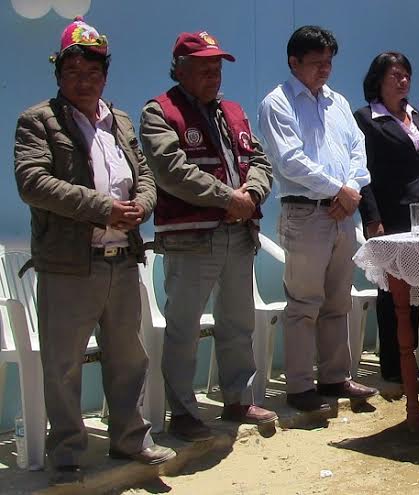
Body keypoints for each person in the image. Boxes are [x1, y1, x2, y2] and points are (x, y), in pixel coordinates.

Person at [13, 17, 175, 484]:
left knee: (128, 357)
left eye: (93, 71)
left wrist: (141, 206)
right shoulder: (38, 120)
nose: (84, 79)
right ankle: (66, 454)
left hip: (122, 260)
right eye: (73, 71)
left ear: (106, 74)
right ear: (59, 75)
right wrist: (103, 208)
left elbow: (143, 174)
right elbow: (34, 182)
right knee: (63, 365)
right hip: (68, 264)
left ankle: (131, 438)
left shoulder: (119, 120)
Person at [140, 31, 277, 442]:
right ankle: (183, 413)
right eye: (204, 66)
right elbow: (170, 169)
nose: (214, 73)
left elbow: (260, 159)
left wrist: (251, 193)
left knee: (237, 322)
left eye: (217, 66)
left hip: (238, 234)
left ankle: (237, 398)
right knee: (184, 328)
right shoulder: (159, 111)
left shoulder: (233, 111)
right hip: (191, 238)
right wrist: (226, 199)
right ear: (180, 69)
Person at [258, 25, 379, 412]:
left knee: (338, 301)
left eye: (328, 62)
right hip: (306, 213)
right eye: (316, 63)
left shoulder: (338, 102)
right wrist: (337, 190)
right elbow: (290, 160)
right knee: (304, 303)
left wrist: (351, 190)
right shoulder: (277, 103)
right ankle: (299, 386)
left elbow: (358, 150)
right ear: (294, 62)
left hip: (343, 212)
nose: (324, 69)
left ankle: (334, 377)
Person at [353, 52, 419, 386]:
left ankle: (408, 355)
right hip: (389, 213)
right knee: (392, 291)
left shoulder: (414, 115)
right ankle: (393, 362)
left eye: (406, 75)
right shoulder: (366, 118)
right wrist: (372, 217)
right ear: (378, 80)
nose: (402, 81)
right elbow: (363, 172)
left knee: (413, 290)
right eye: (394, 75)